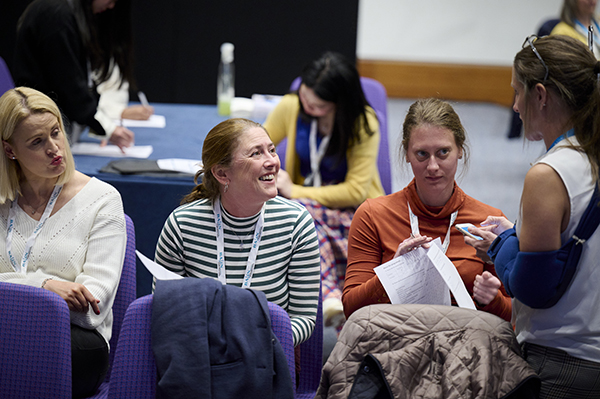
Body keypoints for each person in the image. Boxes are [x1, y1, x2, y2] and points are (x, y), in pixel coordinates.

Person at [465, 35, 600, 398]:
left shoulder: (549, 174)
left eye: (517, 92)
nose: (514, 106)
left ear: (540, 95)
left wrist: (501, 244)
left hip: (564, 365)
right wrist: (518, 234)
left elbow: (533, 288)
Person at [0, 87, 126, 398]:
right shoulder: (3, 202)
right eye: (37, 142)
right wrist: (44, 286)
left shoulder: (102, 199)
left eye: (56, 132)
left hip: (73, 342)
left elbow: (91, 307)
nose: (55, 148)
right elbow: (63, 296)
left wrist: (13, 295)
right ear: (9, 150)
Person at [154, 118, 321, 348]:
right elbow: (164, 310)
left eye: (272, 150)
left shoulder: (295, 222)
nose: (272, 161)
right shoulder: (183, 225)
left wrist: (259, 344)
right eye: (256, 154)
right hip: (200, 357)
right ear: (223, 174)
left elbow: (305, 318)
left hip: (268, 358)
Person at [342, 98, 512, 322]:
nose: (432, 166)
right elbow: (352, 310)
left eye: (443, 152)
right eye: (422, 154)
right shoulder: (373, 215)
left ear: (460, 150)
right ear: (407, 154)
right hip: (396, 340)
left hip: (464, 343)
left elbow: (516, 320)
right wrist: (395, 272)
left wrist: (492, 301)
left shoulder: (489, 222)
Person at [263, 51, 384, 328]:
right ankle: (340, 308)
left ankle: (332, 296)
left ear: (339, 104)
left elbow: (355, 191)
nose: (307, 106)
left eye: (317, 106)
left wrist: (296, 191)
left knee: (300, 216)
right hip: (311, 213)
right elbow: (256, 145)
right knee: (303, 217)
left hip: (355, 215)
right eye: (304, 97)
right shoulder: (291, 107)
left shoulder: (363, 122)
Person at [13, 0, 153, 150]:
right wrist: (105, 127)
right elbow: (69, 84)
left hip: (51, 123)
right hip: (41, 125)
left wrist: (102, 125)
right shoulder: (57, 15)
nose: (111, 5)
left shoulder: (71, 12)